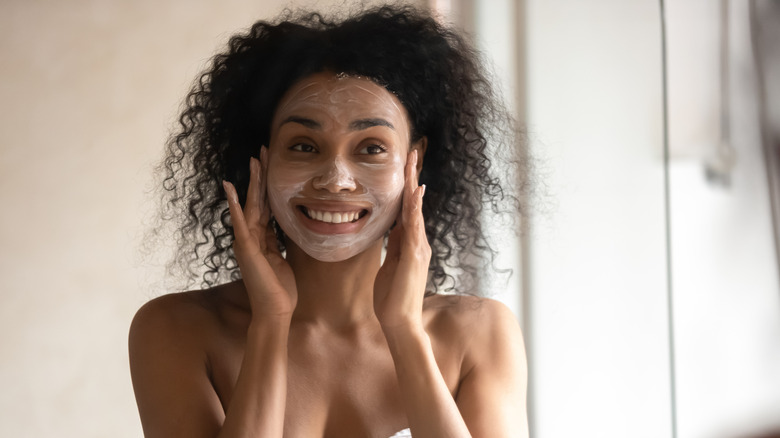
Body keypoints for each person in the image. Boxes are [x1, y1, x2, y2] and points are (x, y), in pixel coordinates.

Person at [129, 4, 529, 437]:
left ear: (415, 161)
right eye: (304, 146)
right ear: (260, 159)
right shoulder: (176, 329)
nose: (336, 179)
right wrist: (271, 322)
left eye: (371, 148)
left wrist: (405, 331)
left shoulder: (481, 334)